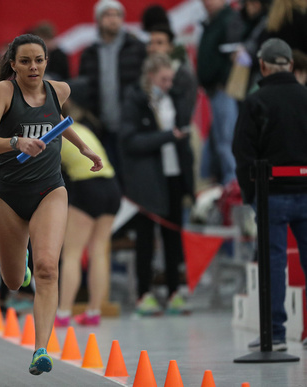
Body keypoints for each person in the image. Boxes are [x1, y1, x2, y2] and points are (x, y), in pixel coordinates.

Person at [0, 34, 102, 375]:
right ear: (14, 65)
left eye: (39, 60)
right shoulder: (4, 91)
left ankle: (41, 350)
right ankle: (23, 265)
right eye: (25, 61)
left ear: (47, 62)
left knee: (49, 268)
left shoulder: (59, 90)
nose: (33, 67)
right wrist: (17, 141)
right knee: (14, 281)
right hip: (8, 197)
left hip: (50, 190)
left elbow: (57, 123)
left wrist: (83, 148)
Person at [232, 38, 307, 352]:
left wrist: (252, 195)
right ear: (290, 65)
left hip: (271, 194)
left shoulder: (256, 101)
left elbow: (243, 153)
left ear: (262, 65)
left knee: (274, 264)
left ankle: (275, 334)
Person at [119, 53, 194, 315]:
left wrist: (190, 183)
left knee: (173, 236)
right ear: (151, 77)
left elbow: (184, 139)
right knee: (146, 238)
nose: (168, 83)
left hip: (174, 175)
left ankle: (174, 292)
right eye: (163, 79)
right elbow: (130, 141)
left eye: (170, 79)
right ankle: (144, 294)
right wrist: (166, 137)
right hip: (147, 181)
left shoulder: (175, 97)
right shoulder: (135, 100)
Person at [55, 101, 121, 327]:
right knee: (99, 251)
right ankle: (93, 311)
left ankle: (63, 314)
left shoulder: (51, 132)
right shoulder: (81, 128)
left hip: (87, 186)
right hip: (112, 186)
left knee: (72, 253)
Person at [77, 0, 146, 183]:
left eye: (116, 15)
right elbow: (85, 88)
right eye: (107, 15)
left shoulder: (137, 47)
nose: (112, 19)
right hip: (102, 126)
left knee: (133, 176)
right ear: (98, 20)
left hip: (131, 125)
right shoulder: (90, 53)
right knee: (109, 175)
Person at [197, 0, 242, 185]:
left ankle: (233, 185)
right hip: (213, 90)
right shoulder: (212, 22)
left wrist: (226, 81)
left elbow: (237, 55)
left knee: (226, 141)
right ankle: (215, 181)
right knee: (217, 140)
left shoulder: (229, 20)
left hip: (224, 90)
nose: (206, 2)